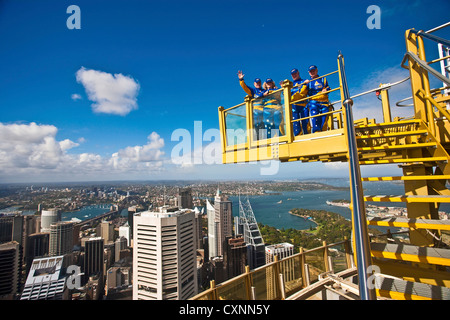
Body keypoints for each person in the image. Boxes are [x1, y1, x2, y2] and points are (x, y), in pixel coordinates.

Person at [237, 71, 265, 139]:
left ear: (260, 83)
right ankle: (256, 141)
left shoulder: (264, 90)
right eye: (256, 83)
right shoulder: (253, 91)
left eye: (259, 83)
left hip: (263, 112)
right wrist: (241, 80)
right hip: (255, 112)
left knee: (263, 127)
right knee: (255, 127)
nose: (258, 84)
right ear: (254, 84)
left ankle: (263, 140)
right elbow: (245, 87)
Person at [304, 65, 331, 133]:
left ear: (317, 70)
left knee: (324, 119)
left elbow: (328, 88)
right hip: (313, 102)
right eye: (311, 71)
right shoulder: (308, 82)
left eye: (314, 70)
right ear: (309, 73)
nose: (312, 72)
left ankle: (323, 133)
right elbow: (302, 92)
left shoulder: (322, 79)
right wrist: (304, 84)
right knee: (315, 118)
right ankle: (316, 132)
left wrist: (326, 89)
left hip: (324, 101)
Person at [289, 68, 309, 135]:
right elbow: (287, 95)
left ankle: (307, 135)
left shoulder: (304, 81)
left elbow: (308, 91)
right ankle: (298, 136)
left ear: (298, 73)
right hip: (294, 106)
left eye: (295, 73)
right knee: (295, 123)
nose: (294, 75)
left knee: (305, 122)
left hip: (303, 105)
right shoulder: (290, 85)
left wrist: (307, 83)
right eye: (292, 74)